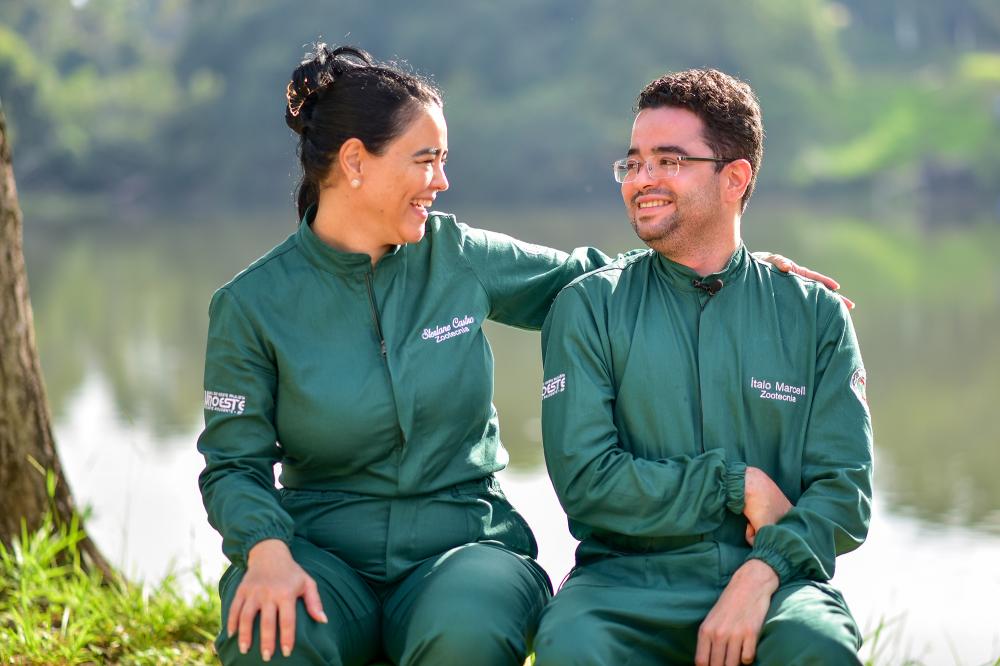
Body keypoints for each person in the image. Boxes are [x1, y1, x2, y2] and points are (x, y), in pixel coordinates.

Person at [197, 45, 846, 666]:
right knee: (268, 634)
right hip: (318, 550)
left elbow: (597, 281)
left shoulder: (458, 256)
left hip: (461, 546)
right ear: (356, 162)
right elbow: (233, 465)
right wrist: (266, 548)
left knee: (469, 631)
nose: (442, 181)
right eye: (425, 160)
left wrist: (739, 273)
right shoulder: (251, 306)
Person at [533, 68, 873, 666]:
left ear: (734, 178)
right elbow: (587, 485)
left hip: (780, 578)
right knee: (572, 645)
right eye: (633, 163)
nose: (643, 180)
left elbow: (845, 496)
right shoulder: (588, 307)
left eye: (669, 161)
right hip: (622, 588)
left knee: (817, 645)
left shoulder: (816, 315)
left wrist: (765, 570)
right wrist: (732, 483)